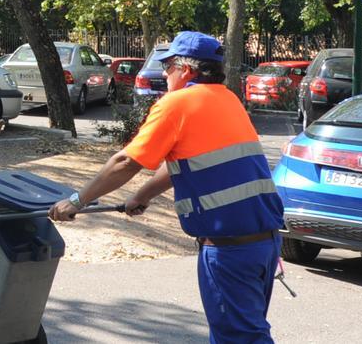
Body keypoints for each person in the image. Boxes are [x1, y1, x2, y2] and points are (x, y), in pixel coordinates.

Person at [48, 31, 285, 343]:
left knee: (241, 338)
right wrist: (142, 195)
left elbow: (125, 162)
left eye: (168, 66)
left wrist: (76, 200)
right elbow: (187, 164)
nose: (163, 73)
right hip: (265, 244)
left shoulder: (176, 104)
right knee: (239, 332)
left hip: (230, 250)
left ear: (186, 70)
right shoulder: (228, 100)